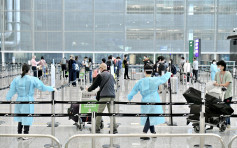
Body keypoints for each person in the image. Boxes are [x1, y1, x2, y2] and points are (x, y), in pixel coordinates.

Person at [5, 64, 56, 140]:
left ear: (22, 70)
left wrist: (8, 98)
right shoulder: (32, 79)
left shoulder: (16, 79)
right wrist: (51, 88)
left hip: (19, 100)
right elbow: (42, 87)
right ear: (29, 70)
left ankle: (19, 134)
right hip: (28, 101)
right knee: (27, 117)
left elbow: (12, 90)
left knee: (20, 118)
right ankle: (25, 134)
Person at [127, 64, 171, 140]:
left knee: (149, 115)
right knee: (150, 116)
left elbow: (134, 90)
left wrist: (130, 97)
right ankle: (144, 133)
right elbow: (163, 79)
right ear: (152, 71)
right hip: (154, 99)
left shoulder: (141, 81)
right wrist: (169, 73)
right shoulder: (155, 79)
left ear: (144, 71)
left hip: (145, 100)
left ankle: (153, 133)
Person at [86, 63, 118, 134]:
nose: (99, 69)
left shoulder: (100, 75)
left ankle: (96, 128)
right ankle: (114, 128)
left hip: (104, 96)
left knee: (99, 112)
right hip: (112, 96)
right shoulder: (111, 75)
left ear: (102, 68)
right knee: (111, 113)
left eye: (100, 68)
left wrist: (88, 89)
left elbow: (94, 85)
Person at [214, 60, 232, 128]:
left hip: (227, 95)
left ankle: (228, 123)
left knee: (227, 109)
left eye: (220, 66)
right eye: (218, 66)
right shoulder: (217, 73)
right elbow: (215, 82)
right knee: (220, 109)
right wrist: (216, 84)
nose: (219, 67)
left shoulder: (228, 74)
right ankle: (221, 123)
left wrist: (218, 84)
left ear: (223, 66)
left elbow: (227, 84)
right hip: (219, 94)